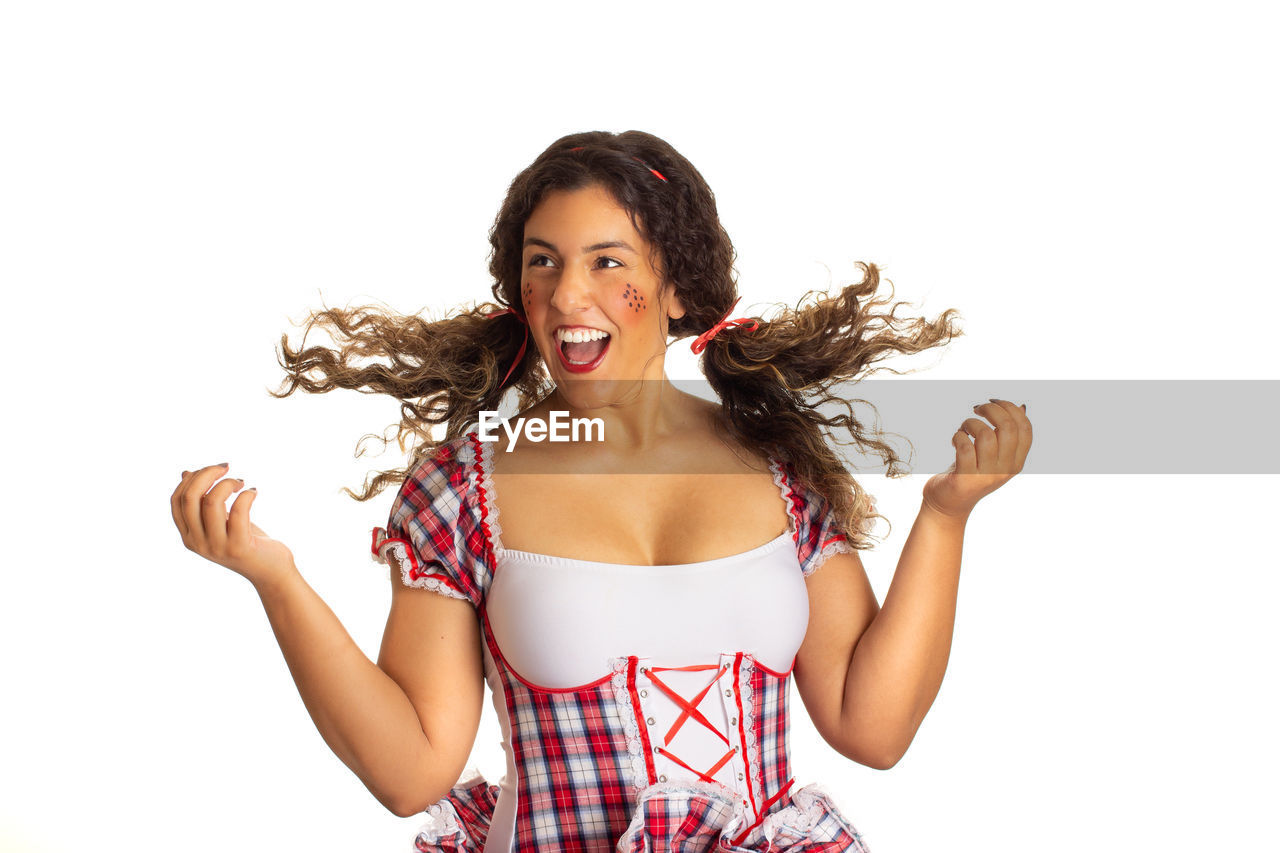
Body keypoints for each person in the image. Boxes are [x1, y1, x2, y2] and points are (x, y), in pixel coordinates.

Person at [169, 130, 1032, 851]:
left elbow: (869, 726)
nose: (565, 295)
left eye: (604, 260)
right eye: (541, 262)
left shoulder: (776, 463)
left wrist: (946, 515)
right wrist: (274, 577)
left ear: (677, 289)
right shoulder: (465, 488)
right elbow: (411, 774)